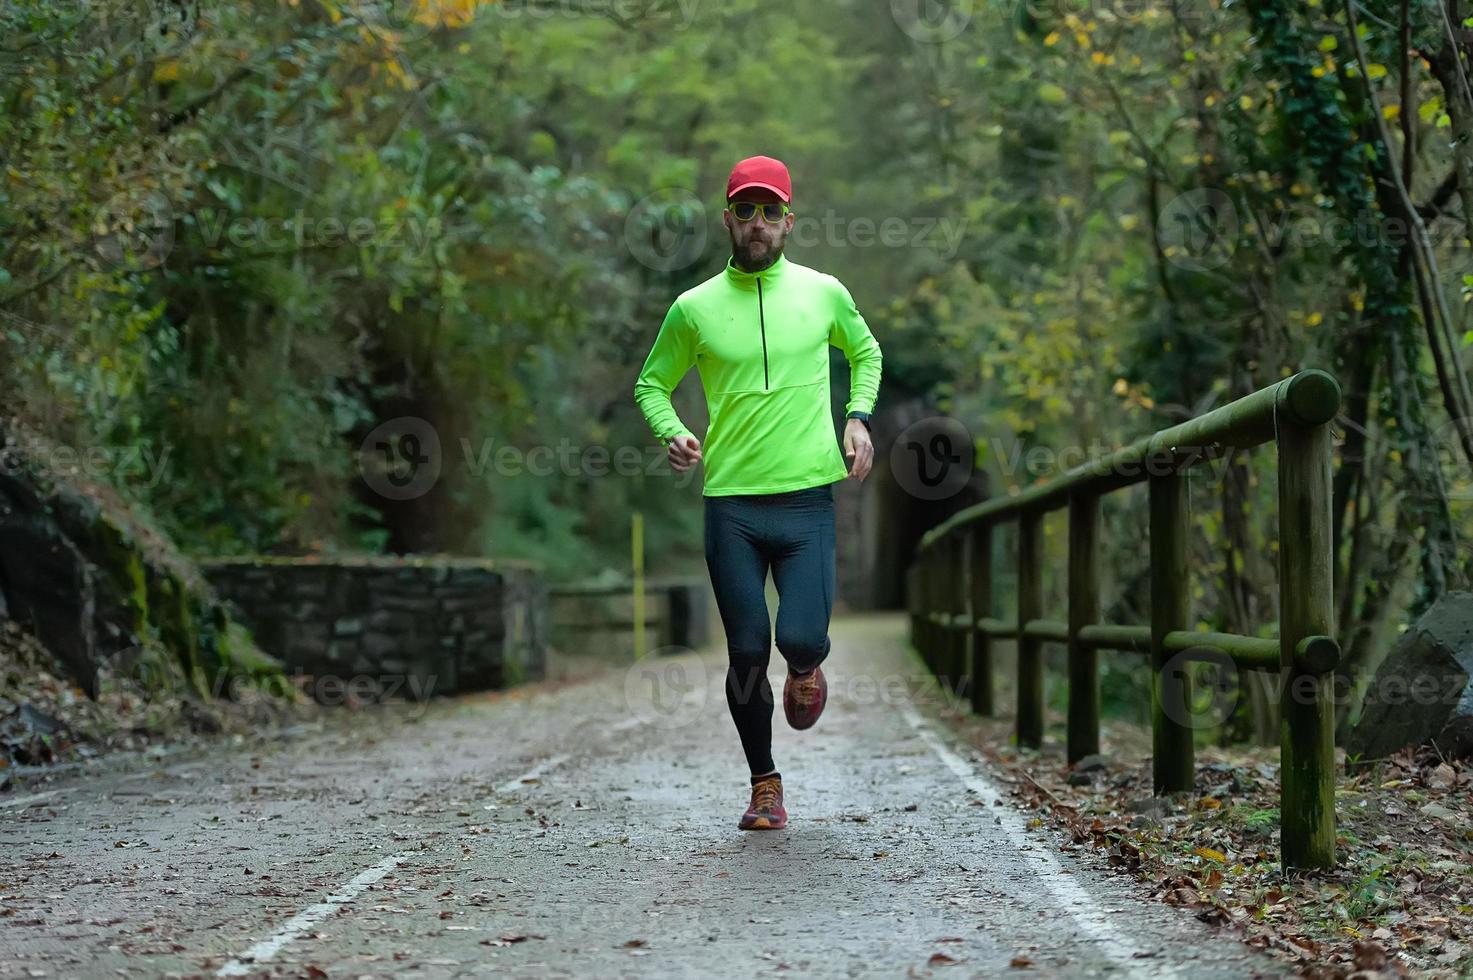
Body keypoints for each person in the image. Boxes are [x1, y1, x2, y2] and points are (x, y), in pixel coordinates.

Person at [632, 154, 883, 831]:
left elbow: (865, 352)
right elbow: (651, 383)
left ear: (788, 222)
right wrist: (671, 431)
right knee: (745, 651)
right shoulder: (693, 309)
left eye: (771, 211)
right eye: (745, 209)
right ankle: (763, 783)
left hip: (806, 500)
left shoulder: (823, 292)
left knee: (799, 634)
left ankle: (806, 665)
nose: (758, 222)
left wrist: (857, 415)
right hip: (732, 504)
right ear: (727, 219)